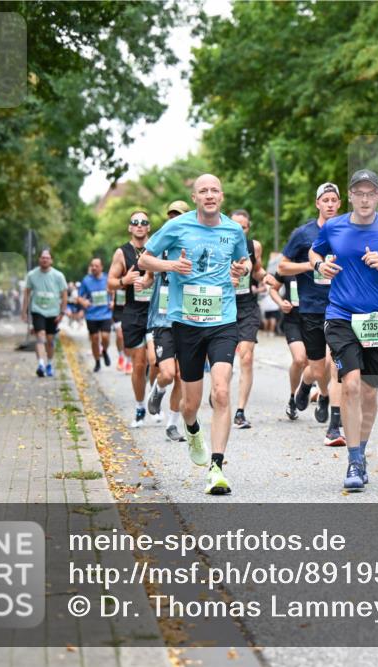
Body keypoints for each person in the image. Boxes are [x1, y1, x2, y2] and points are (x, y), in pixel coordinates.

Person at [138, 173, 250, 495]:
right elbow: (145, 258)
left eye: (215, 190)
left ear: (222, 195)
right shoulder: (177, 226)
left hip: (223, 320)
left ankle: (216, 468)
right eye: (203, 191)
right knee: (189, 404)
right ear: (195, 197)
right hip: (186, 324)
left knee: (222, 390)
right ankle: (191, 429)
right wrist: (172, 267)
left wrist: (238, 270)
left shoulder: (232, 229)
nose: (210, 195)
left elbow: (241, 262)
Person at [309, 169, 378, 491]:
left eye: (371, 192)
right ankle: (353, 460)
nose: (365, 198)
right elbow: (316, 250)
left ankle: (362, 452)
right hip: (340, 316)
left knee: (369, 392)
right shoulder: (334, 226)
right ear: (351, 196)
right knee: (351, 385)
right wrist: (318, 265)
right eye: (359, 192)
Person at [278, 182, 347, 445]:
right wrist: (312, 264)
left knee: (335, 363)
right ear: (317, 203)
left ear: (339, 204)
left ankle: (335, 422)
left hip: (339, 307)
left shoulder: (346, 231)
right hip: (310, 308)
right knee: (318, 368)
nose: (330, 204)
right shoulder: (303, 234)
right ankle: (310, 386)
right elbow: (283, 267)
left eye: (334, 199)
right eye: (325, 200)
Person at [230, 209, 278, 429]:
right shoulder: (218, 244)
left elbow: (257, 270)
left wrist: (266, 277)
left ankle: (240, 411)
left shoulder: (253, 247)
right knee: (222, 361)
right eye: (235, 225)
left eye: (244, 227)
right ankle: (218, 390)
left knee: (247, 358)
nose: (240, 230)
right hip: (222, 307)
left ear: (248, 229)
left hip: (247, 306)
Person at [108, 210, 156, 427]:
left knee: (155, 362)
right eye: (135, 222)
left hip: (156, 312)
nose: (139, 225)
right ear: (130, 227)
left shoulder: (156, 248)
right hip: (133, 314)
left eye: (143, 222)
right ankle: (140, 406)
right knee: (139, 364)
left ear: (148, 227)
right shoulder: (122, 253)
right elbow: (110, 282)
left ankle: (155, 395)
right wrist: (124, 280)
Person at [145, 246, 187, 443]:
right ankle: (158, 390)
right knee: (168, 374)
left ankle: (172, 424)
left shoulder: (194, 251)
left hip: (187, 322)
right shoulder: (159, 251)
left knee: (181, 376)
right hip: (162, 322)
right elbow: (147, 275)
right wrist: (142, 282)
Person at [270, 274, 313, 420]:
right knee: (299, 359)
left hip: (314, 319)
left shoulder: (317, 264)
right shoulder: (287, 266)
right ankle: (293, 397)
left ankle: (305, 389)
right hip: (292, 320)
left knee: (310, 362)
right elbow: (273, 289)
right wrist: (281, 303)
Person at [22, 249, 68, 377]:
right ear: (39, 259)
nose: (44, 259)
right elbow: (27, 293)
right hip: (38, 310)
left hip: (53, 312)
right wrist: (24, 311)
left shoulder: (58, 276)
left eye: (47, 258)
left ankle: (49, 363)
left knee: (49, 340)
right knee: (40, 336)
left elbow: (64, 295)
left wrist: (62, 313)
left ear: (51, 260)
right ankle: (41, 364)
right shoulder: (32, 275)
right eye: (42, 257)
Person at [77, 258, 113, 373]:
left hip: (105, 313)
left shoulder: (107, 278)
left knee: (106, 337)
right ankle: (97, 361)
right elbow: (79, 296)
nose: (94, 268)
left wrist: (113, 301)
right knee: (95, 339)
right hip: (91, 315)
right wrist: (83, 302)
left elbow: (114, 291)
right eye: (92, 265)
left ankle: (105, 351)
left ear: (101, 267)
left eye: (96, 266)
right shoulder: (86, 280)